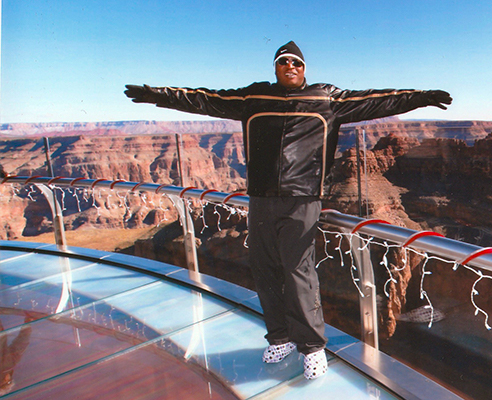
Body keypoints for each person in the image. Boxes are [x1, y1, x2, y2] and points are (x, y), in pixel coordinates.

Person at [124, 40, 452, 379]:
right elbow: (205, 98)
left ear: (304, 67)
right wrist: (155, 94)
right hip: (261, 199)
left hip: (302, 198)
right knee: (264, 268)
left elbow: (377, 99)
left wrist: (422, 96)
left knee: (299, 272)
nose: (290, 66)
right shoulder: (254, 98)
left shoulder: (326, 99)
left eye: (296, 62)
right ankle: (279, 337)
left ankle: (312, 348)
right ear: (276, 68)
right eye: (283, 62)